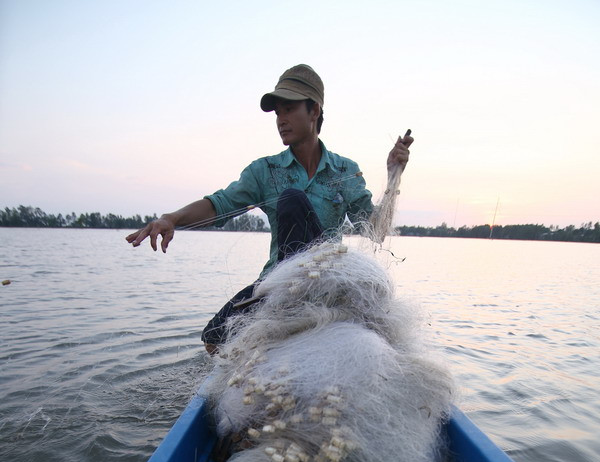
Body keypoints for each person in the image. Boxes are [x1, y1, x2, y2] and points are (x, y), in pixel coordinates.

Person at [126, 64, 413, 353]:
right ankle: (279, 323)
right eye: (278, 113)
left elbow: (376, 231)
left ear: (314, 111)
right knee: (213, 339)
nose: (281, 120)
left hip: (328, 283)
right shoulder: (265, 170)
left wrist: (393, 175)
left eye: (289, 109)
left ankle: (298, 306)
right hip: (278, 283)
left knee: (291, 199)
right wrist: (171, 218)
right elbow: (219, 204)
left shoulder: (344, 170)